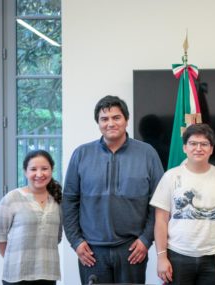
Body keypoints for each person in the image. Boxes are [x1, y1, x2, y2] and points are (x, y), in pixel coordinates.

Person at [62, 95, 164, 284]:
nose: (110, 123)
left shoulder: (147, 153)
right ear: (98, 123)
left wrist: (146, 239)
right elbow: (69, 201)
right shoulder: (81, 154)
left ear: (126, 120)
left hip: (132, 249)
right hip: (92, 252)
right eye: (104, 119)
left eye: (116, 117)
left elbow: (159, 203)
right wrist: (76, 241)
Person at [151, 123, 215, 285]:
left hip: (214, 257)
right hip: (177, 256)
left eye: (204, 144)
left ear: (211, 149)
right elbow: (160, 220)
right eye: (193, 143)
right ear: (185, 148)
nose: (198, 148)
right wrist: (161, 257)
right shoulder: (170, 177)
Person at [0, 150, 62, 285]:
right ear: (25, 172)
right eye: (33, 169)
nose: (39, 174)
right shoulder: (12, 198)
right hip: (17, 275)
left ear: (52, 170)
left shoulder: (57, 199)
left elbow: (56, 238)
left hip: (48, 274)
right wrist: (15, 260)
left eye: (45, 169)